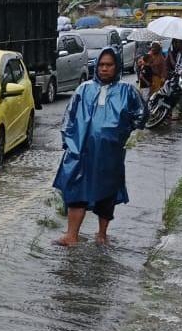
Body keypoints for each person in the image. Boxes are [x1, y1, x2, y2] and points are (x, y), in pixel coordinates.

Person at [53, 47, 146, 245]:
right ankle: (72, 235)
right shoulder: (84, 89)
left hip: (109, 153)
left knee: (107, 193)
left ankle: (102, 234)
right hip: (81, 151)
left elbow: (141, 114)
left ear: (117, 66)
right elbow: (68, 118)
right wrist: (69, 143)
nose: (104, 69)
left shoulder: (127, 91)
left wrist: (124, 133)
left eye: (109, 65)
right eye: (101, 65)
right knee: (76, 190)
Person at [166, 38, 182, 120]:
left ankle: (180, 113)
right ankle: (169, 112)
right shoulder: (178, 54)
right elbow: (176, 66)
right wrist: (170, 55)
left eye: (179, 42)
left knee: (181, 95)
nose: (177, 44)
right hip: (176, 76)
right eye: (176, 42)